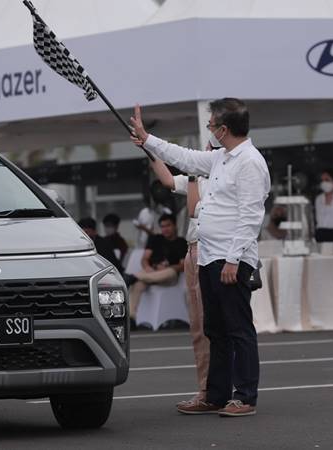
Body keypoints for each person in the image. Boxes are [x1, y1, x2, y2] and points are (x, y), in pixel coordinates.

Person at [131, 98, 270, 417]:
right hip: (209, 257)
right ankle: (216, 395)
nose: (209, 130)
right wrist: (148, 139)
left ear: (223, 130)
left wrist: (234, 260)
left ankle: (245, 396)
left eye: (211, 126)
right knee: (216, 330)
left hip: (230, 258)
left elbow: (251, 216)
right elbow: (185, 158)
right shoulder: (221, 158)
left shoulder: (249, 161)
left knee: (238, 328)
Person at [147, 156, 211, 407]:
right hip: (191, 250)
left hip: (209, 251)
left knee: (211, 325)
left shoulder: (219, 180)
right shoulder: (198, 178)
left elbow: (194, 209)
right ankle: (205, 390)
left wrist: (194, 177)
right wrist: (147, 146)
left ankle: (221, 389)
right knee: (197, 327)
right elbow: (166, 179)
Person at [127, 214, 188, 322]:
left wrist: (166, 267)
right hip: (151, 273)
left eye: (168, 225)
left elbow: (182, 265)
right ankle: (131, 318)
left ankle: (134, 276)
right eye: (162, 226)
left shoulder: (181, 242)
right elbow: (144, 259)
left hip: (169, 276)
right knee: (138, 284)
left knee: (169, 272)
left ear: (175, 226)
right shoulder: (156, 239)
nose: (165, 229)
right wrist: (148, 267)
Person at [133, 181, 173, 249]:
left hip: (161, 246)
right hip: (143, 246)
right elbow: (136, 223)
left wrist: (145, 229)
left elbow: (160, 233)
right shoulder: (144, 212)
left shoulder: (166, 212)